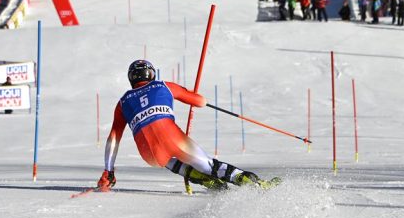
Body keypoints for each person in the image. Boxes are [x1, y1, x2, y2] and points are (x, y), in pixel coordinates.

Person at [97, 60, 280, 191]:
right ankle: (255, 184)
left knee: (168, 160)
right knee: (210, 165)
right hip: (173, 138)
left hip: (149, 154)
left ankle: (203, 180)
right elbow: (199, 101)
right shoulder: (163, 85)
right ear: (152, 74)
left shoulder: (122, 102)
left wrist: (109, 171)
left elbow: (114, 138)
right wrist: (196, 97)